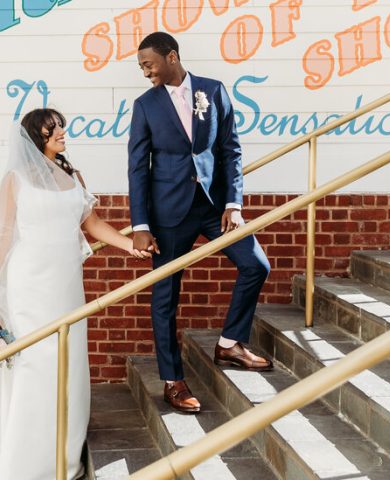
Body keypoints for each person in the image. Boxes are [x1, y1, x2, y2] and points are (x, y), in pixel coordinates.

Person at [0, 108, 147, 480]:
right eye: (54, 128)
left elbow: (92, 224)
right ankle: (26, 459)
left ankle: (63, 453)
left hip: (66, 283)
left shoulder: (72, 175)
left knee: (67, 359)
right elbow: (1, 238)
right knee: (36, 363)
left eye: (62, 126)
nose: (63, 132)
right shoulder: (15, 180)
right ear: (37, 136)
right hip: (29, 282)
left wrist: (129, 246)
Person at [128, 32, 272, 414]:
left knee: (256, 264)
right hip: (167, 214)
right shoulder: (144, 106)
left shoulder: (213, 90)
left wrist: (233, 203)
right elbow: (138, 168)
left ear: (171, 57)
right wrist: (140, 223)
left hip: (213, 207)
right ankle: (173, 380)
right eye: (142, 66)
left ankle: (229, 343)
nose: (145, 72)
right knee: (165, 298)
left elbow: (230, 149)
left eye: (149, 64)